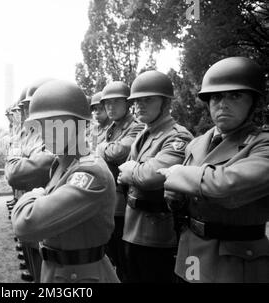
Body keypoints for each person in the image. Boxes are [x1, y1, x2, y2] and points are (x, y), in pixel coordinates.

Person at [158, 57, 269, 283]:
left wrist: (177, 174)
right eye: (216, 97)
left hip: (236, 260)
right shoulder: (196, 143)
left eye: (235, 96)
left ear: (253, 103)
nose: (223, 104)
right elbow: (182, 198)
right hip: (192, 250)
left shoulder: (262, 144)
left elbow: (228, 186)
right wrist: (174, 198)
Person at [11, 79, 119, 283]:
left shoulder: (90, 172)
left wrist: (34, 194)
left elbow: (25, 224)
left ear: (79, 124)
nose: (44, 133)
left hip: (81, 276)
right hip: (58, 271)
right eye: (41, 126)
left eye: (54, 124)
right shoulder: (62, 163)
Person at [117, 70, 193, 282]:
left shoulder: (177, 136)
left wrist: (130, 172)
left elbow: (152, 177)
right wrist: (131, 173)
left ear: (166, 103)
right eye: (137, 100)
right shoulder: (144, 134)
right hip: (132, 227)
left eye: (148, 99)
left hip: (159, 233)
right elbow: (130, 175)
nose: (140, 105)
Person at [5, 79, 56, 282]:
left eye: (31, 106)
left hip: (44, 210)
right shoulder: (31, 133)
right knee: (34, 263)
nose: (27, 112)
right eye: (26, 107)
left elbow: (15, 172)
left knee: (43, 267)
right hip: (28, 199)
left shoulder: (53, 137)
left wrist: (17, 155)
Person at [96, 81, 145, 282]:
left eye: (116, 102)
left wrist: (99, 148)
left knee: (124, 256)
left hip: (122, 200)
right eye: (107, 103)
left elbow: (117, 152)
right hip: (107, 198)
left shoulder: (137, 126)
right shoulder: (111, 128)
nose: (110, 107)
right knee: (111, 253)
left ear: (128, 103)